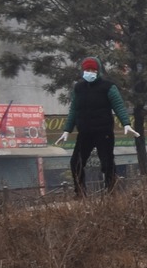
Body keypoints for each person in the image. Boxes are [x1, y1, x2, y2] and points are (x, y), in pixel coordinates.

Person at [56, 56, 137, 194]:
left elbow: (118, 106)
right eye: (87, 69)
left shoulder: (108, 87)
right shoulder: (78, 88)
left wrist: (126, 123)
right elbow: (74, 109)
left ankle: (111, 191)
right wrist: (67, 130)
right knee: (76, 162)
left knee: (107, 163)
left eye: (93, 69)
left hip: (103, 131)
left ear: (98, 71)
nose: (90, 72)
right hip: (84, 132)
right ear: (83, 70)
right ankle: (80, 192)